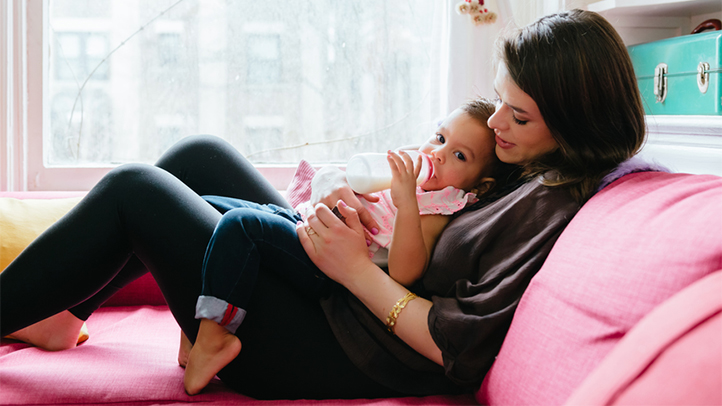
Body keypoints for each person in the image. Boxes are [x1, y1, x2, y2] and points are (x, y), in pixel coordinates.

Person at [0, 9, 645, 400]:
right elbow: (427, 206)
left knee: (135, 190)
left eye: (520, 115)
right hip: (342, 295)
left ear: (573, 122)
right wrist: (345, 207)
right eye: (500, 99)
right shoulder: (526, 166)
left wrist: (354, 269)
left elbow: (459, 348)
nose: (498, 122)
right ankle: (63, 313)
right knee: (200, 154)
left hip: (333, 345)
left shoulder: (547, 207)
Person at [184, 98, 516, 394]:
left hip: (323, 264)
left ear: (481, 185)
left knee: (239, 226)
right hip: (306, 223)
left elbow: (405, 273)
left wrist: (407, 207)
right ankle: (193, 328)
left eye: (458, 155)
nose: (437, 155)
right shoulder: (411, 177)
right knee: (205, 207)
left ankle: (215, 340)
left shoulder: (438, 209)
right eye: (439, 138)